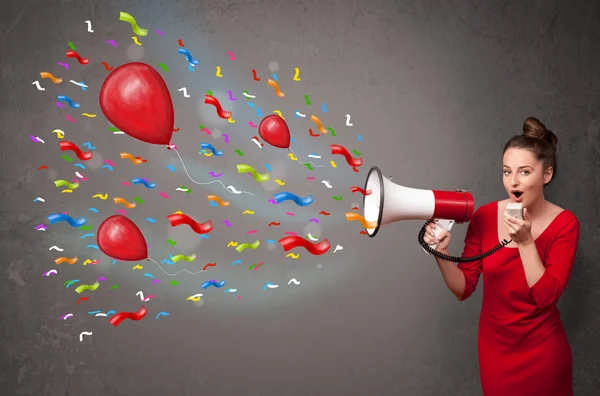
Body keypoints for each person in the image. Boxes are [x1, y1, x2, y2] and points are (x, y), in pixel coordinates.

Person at [423, 117, 580, 396]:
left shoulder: (565, 224)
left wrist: (526, 242)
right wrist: (441, 253)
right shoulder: (483, 217)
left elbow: (546, 297)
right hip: (496, 355)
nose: (513, 182)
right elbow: (463, 288)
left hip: (544, 356)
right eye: (507, 172)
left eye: (524, 172)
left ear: (547, 175)